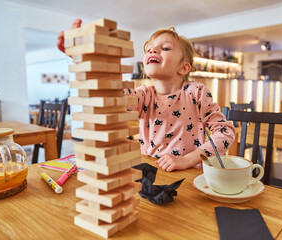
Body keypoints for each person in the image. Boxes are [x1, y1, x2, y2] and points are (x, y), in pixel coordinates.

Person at [57, 19, 235, 172]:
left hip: (189, 177)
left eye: (165, 48)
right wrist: (85, 60)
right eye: (149, 49)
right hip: (150, 173)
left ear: (184, 68)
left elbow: (225, 132)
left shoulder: (196, 92)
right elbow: (111, 94)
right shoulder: (144, 94)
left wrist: (187, 160)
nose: (152, 51)